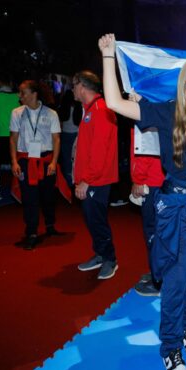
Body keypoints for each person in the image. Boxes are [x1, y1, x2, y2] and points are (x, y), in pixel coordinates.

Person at [99, 34, 186, 370]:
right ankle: (170, 346)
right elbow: (113, 102)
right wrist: (109, 57)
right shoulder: (164, 110)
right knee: (176, 279)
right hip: (175, 207)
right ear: (185, 80)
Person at [73, 71, 120, 280]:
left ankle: (110, 259)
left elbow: (99, 151)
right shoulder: (90, 109)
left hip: (96, 180)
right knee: (92, 220)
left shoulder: (100, 110)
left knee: (97, 220)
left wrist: (86, 179)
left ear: (81, 86)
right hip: (91, 178)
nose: (72, 90)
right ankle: (101, 254)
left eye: (73, 85)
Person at [9, 80, 62, 250]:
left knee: (48, 196)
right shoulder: (16, 113)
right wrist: (14, 161)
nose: (20, 96)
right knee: (29, 198)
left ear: (34, 94)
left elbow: (56, 139)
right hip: (26, 161)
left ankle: (50, 225)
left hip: (46, 160)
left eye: (23, 92)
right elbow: (13, 138)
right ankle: (31, 232)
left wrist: (54, 161)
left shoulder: (51, 113)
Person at [129, 118, 166, 296]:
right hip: (159, 182)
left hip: (152, 183)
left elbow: (145, 153)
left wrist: (138, 179)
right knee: (158, 231)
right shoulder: (157, 112)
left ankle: (159, 280)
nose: (130, 97)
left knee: (153, 233)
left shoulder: (146, 116)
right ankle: (157, 272)